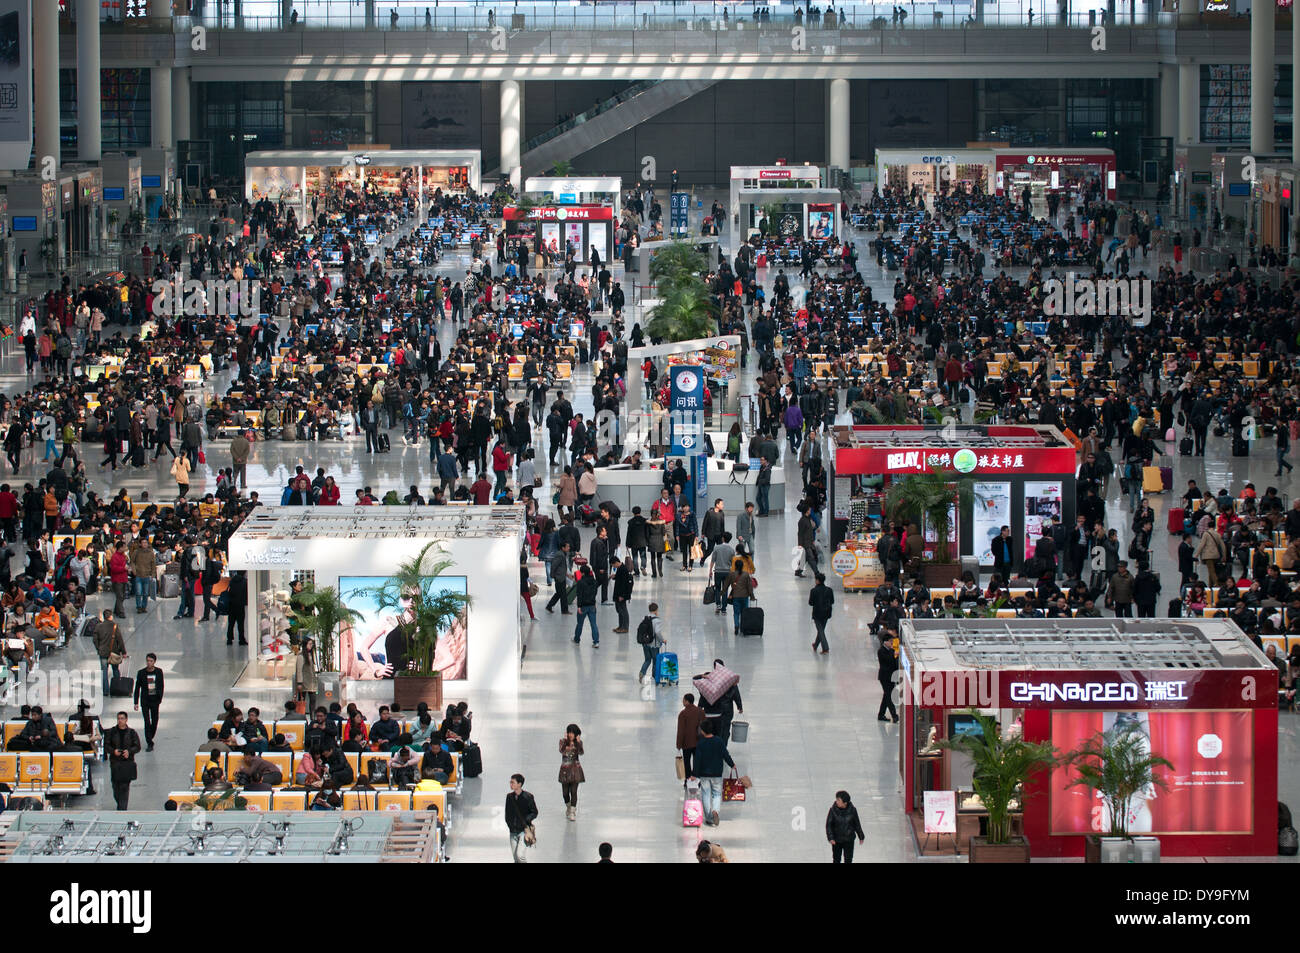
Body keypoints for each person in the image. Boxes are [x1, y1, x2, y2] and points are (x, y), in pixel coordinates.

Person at [692, 719, 735, 827]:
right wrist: (732, 764)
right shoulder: (719, 741)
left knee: (706, 795)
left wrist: (694, 774)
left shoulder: (701, 743)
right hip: (717, 773)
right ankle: (715, 811)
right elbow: (725, 754)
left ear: (703, 731)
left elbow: (697, 760)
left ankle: (709, 818)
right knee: (716, 794)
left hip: (704, 774)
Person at [105, 711, 141, 810]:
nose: (120, 721)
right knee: (115, 787)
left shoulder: (132, 733)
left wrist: (129, 751)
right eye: (118, 718)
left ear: (126, 720)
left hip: (127, 763)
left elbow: (137, 746)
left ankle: (122, 809)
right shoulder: (112, 732)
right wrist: (113, 751)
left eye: (122, 718)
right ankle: (120, 804)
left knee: (124, 787)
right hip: (115, 763)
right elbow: (106, 746)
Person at [132, 652, 165, 751]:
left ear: (154, 662)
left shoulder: (159, 672)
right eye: (147, 661)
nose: (149, 663)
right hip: (145, 700)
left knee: (154, 721)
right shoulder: (141, 673)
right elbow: (137, 687)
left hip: (155, 700)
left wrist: (159, 698)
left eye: (151, 661)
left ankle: (151, 735)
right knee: (147, 721)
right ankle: (149, 742)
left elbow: (161, 685)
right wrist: (136, 702)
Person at [505, 773, 539, 863]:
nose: (511, 784)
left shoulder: (528, 797)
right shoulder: (509, 797)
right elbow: (507, 813)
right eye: (510, 782)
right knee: (516, 858)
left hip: (523, 830)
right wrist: (510, 824)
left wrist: (526, 820)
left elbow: (534, 812)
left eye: (513, 782)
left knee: (520, 856)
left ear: (519, 784)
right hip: (512, 831)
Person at [93, 608, 126, 699]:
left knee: (104, 672)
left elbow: (95, 640)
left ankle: (106, 691)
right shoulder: (115, 626)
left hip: (103, 652)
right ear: (111, 616)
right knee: (115, 670)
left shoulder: (98, 626)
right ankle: (117, 688)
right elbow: (120, 640)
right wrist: (123, 652)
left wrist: (98, 648)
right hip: (114, 652)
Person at [826, 790, 866, 863]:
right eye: (836, 799)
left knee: (848, 859)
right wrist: (831, 837)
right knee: (836, 859)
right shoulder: (833, 810)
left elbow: (857, 824)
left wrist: (861, 835)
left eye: (839, 800)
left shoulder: (853, 810)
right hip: (836, 840)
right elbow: (828, 825)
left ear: (845, 803)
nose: (836, 801)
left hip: (849, 840)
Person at [558, 723, 585, 821]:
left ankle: (573, 811)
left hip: (575, 770)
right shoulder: (562, 741)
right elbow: (562, 751)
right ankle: (569, 807)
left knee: (574, 791)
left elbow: (581, 752)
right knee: (565, 793)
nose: (570, 735)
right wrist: (566, 742)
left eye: (572, 733)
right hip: (565, 770)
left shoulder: (579, 742)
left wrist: (577, 743)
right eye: (569, 732)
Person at [676, 692, 706, 777]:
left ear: (687, 701)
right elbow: (705, 726)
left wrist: (679, 744)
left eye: (683, 700)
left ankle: (688, 779)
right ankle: (696, 778)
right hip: (699, 741)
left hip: (687, 743)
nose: (683, 701)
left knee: (687, 762)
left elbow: (681, 730)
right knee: (697, 761)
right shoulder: (701, 711)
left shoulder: (683, 714)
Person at [637, 602, 665, 682]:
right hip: (654, 644)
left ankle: (642, 672)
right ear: (656, 610)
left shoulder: (644, 618)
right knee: (655, 661)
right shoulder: (657, 620)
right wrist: (662, 640)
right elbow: (657, 632)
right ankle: (655, 676)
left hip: (645, 643)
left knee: (647, 660)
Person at [573, 565, 599, 647]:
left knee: (580, 624)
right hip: (592, 605)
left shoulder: (580, 582)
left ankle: (577, 639)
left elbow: (579, 595)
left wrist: (579, 606)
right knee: (593, 624)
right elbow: (595, 593)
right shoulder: (594, 582)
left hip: (583, 605)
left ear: (583, 573)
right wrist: (594, 602)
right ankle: (596, 641)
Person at [809, 572, 834, 654]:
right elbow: (832, 601)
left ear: (817, 581)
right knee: (821, 630)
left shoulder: (813, 591)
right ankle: (815, 645)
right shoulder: (829, 590)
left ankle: (825, 648)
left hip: (817, 613)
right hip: (826, 613)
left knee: (820, 631)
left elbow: (811, 603)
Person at [877, 633, 899, 722]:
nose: (892, 643)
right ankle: (894, 715)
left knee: (886, 696)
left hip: (891, 677)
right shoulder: (881, 651)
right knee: (889, 696)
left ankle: (881, 715)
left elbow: (894, 663)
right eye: (890, 642)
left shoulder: (891, 650)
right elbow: (888, 660)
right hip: (885, 677)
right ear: (885, 642)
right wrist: (895, 655)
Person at [611, 556, 633, 632]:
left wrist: (622, 595)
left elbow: (624, 584)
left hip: (621, 594)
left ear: (616, 562)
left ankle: (625, 627)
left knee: (623, 610)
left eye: (613, 565)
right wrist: (615, 577)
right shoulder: (620, 568)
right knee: (619, 610)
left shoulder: (623, 569)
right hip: (618, 593)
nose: (613, 567)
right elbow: (620, 578)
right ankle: (621, 626)